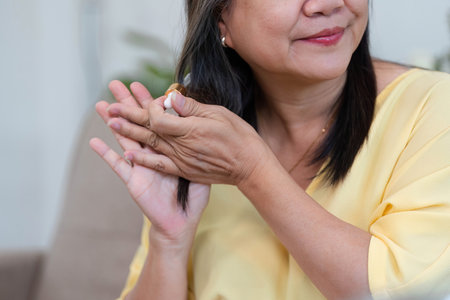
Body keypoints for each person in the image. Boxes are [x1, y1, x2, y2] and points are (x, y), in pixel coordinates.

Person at [89, 0, 450, 299]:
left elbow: (403, 290)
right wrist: (168, 237)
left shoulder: (433, 108)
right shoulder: (198, 137)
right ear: (219, 16)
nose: (328, 5)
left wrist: (252, 169)